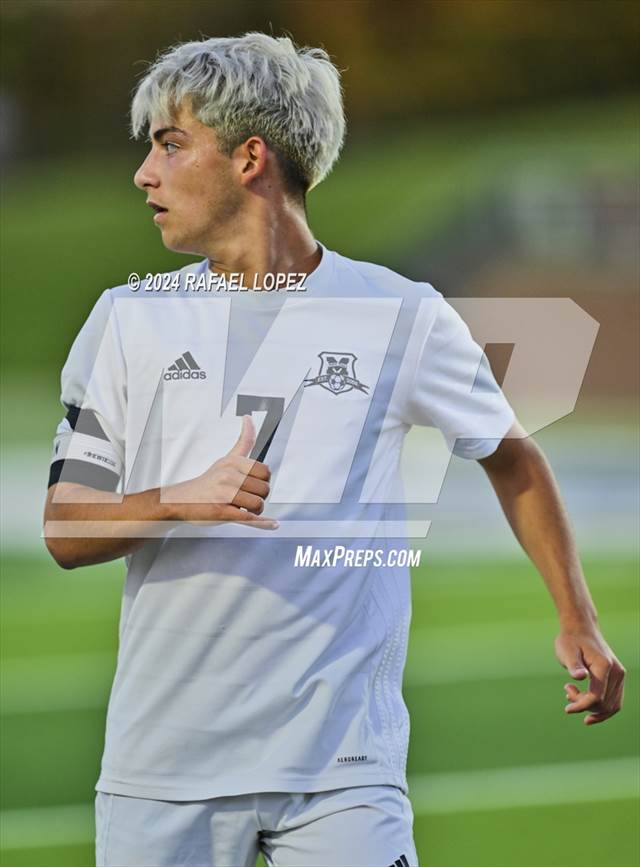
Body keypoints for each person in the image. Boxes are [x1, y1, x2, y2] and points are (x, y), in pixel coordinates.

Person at [43, 32, 626, 867]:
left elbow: (514, 458)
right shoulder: (127, 316)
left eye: (171, 145)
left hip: (342, 771)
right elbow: (66, 528)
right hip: (161, 770)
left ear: (251, 159)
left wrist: (579, 616)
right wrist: (181, 497)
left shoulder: (402, 313)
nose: (145, 172)